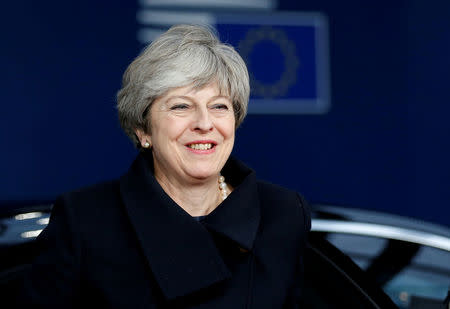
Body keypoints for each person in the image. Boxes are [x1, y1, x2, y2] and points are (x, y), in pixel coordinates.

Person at [12, 24, 311, 308]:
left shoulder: (282, 214)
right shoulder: (85, 221)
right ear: (144, 130)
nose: (204, 123)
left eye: (219, 106)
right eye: (181, 106)